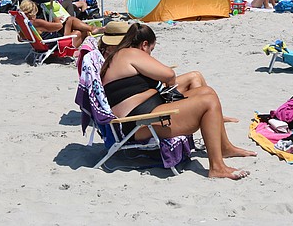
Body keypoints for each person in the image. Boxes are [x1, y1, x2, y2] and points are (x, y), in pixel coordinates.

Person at [100, 23, 255, 180]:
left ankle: (225, 147)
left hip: (144, 114)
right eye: (151, 50)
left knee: (207, 92)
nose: (150, 55)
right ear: (144, 44)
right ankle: (217, 167)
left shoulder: (121, 55)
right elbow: (168, 74)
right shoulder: (130, 53)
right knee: (208, 102)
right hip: (139, 122)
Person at [18, 0, 99, 48]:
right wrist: (55, 18)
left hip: (41, 45)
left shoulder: (23, 23)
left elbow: (20, 39)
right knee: (80, 30)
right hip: (54, 45)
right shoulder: (36, 22)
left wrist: (50, 23)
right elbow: (59, 26)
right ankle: (91, 29)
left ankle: (91, 29)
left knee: (71, 20)